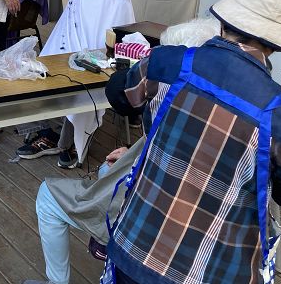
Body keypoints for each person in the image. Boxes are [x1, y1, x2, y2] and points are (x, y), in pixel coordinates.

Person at [103, 0, 281, 284]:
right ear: (277, 42)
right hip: (215, 270)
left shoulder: (167, 62)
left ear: (224, 18)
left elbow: (118, 95)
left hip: (135, 247)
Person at [21, 19, 220, 284]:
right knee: (107, 168)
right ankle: (109, 247)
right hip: (203, 225)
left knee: (48, 196)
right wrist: (134, 153)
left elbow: (118, 92)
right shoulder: (230, 110)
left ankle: (98, 253)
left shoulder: (168, 86)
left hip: (156, 215)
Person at [17, 0, 135, 169]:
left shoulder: (119, 0)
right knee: (36, 75)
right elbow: (64, 31)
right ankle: (47, 134)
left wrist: (89, 58)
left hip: (97, 64)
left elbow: (118, 42)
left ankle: (67, 143)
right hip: (66, 54)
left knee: (80, 90)